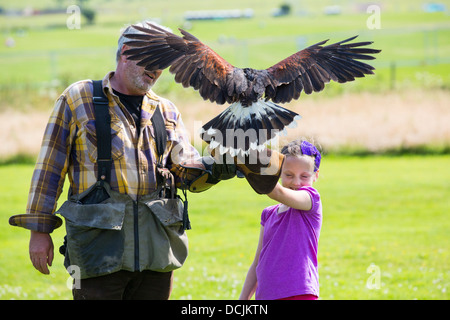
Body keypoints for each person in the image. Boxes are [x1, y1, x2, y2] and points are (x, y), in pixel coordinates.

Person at [20, 21, 237, 300]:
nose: (157, 70)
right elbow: (50, 169)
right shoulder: (78, 98)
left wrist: (223, 163)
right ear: (126, 52)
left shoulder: (166, 110)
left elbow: (185, 172)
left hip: (157, 253)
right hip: (97, 252)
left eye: (163, 63)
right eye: (153, 59)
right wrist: (40, 231)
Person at [239, 139, 322, 300]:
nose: (296, 182)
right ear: (278, 172)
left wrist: (247, 153)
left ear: (315, 176)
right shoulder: (268, 214)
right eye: (288, 175)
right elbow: (257, 263)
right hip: (266, 295)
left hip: (300, 293)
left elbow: (277, 192)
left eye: (304, 176)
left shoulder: (311, 200)